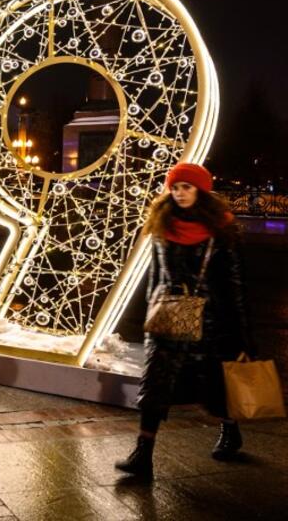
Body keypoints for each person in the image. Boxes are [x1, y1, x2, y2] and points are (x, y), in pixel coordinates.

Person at [116, 163, 252, 479]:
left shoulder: (221, 230)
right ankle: (142, 454)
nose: (179, 194)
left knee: (215, 384)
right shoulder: (162, 225)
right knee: (155, 385)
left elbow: (235, 286)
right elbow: (156, 274)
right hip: (167, 317)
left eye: (186, 188)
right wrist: (150, 312)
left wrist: (243, 336)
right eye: (175, 188)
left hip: (210, 322)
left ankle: (230, 432)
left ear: (201, 191)